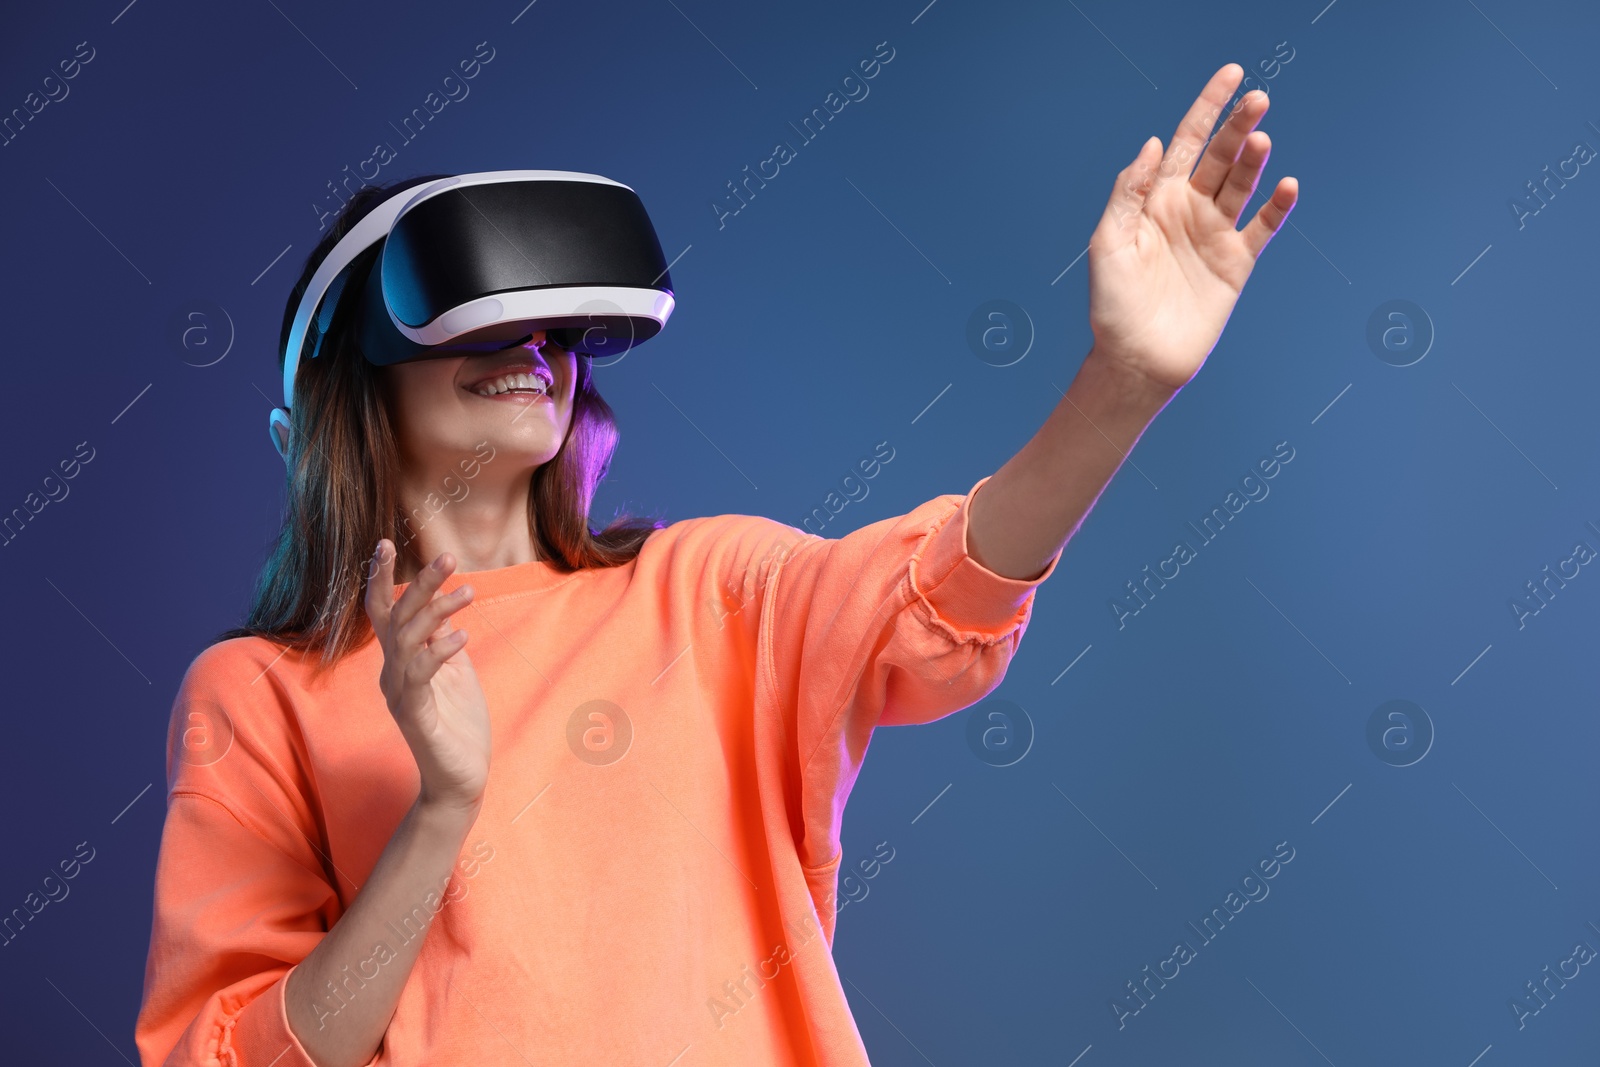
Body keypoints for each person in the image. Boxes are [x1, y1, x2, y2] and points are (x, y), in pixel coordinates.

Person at [134, 62, 1296, 1067]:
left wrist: (1121, 382)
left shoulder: (707, 592)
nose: (532, 352)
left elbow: (942, 592)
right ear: (341, 394)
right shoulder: (259, 694)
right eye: (482, 325)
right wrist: (441, 806)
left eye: (551, 329)